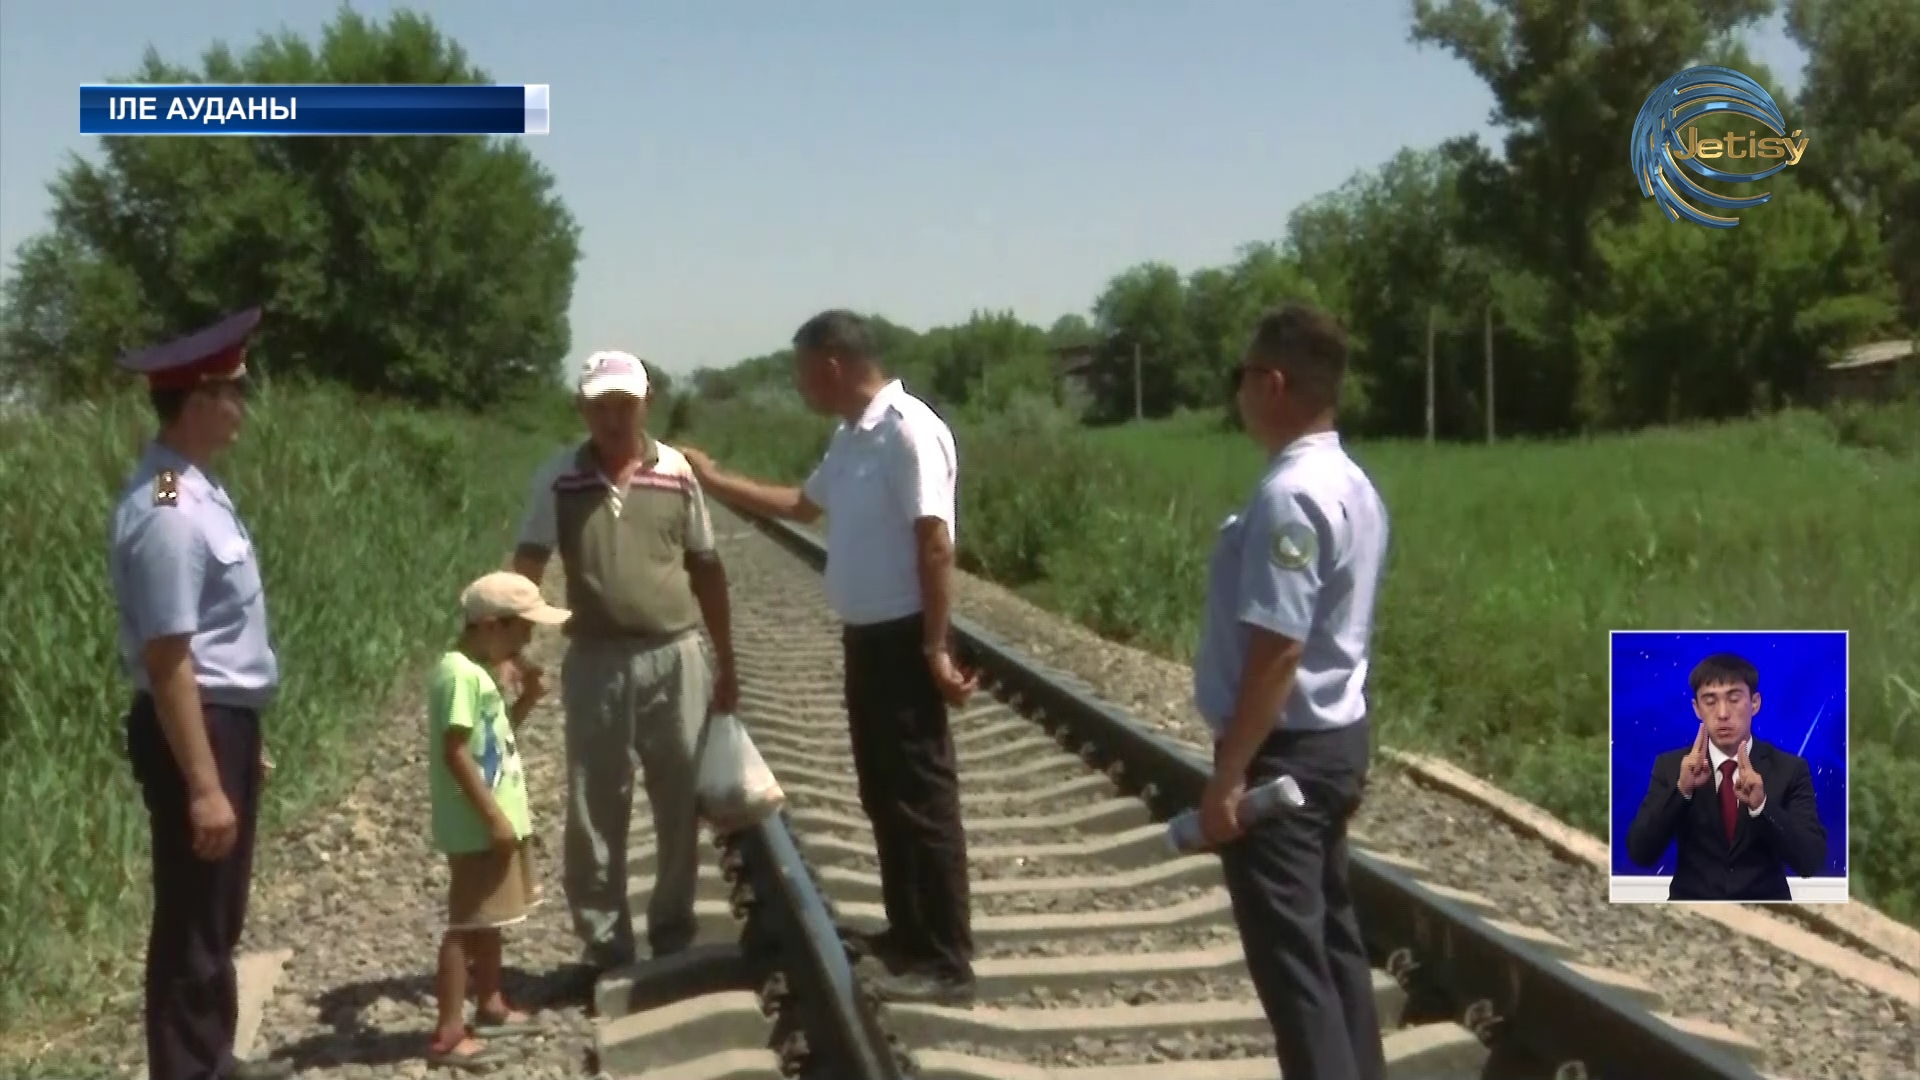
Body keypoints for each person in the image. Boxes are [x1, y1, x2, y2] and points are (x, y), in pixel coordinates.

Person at [680, 308, 979, 1006]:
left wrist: (936, 644)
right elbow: (799, 505)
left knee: (922, 799)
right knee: (884, 793)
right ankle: (907, 934)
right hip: (867, 639)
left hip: (905, 639)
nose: (800, 385)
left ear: (833, 365)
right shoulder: (851, 438)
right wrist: (715, 479)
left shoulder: (909, 431)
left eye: (803, 372)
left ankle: (945, 957)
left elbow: (935, 540)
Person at [1190, 303, 1389, 1080]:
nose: (1236, 392)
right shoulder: (1351, 484)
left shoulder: (1288, 498)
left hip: (1287, 754)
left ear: (1271, 384)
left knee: (1294, 974)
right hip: (1335, 742)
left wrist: (1228, 777)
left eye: (1241, 376)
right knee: (1333, 949)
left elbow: (1278, 651)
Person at [108, 307, 293, 1080]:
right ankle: (188, 1070)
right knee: (192, 918)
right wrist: (206, 783)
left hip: (222, 721)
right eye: (233, 392)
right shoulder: (170, 512)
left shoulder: (200, 491)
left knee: (217, 913)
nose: (242, 407)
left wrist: (244, 740)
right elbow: (170, 658)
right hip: (195, 725)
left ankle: (211, 1057)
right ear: (196, 401)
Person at [510, 349, 738, 974]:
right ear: (583, 408)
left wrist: (726, 659)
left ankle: (671, 931)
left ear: (646, 405)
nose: (614, 419)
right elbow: (527, 564)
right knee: (593, 804)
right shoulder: (558, 477)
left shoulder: (678, 474)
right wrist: (506, 650)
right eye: (601, 406)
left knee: (678, 799)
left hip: (676, 654)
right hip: (596, 660)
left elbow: (707, 567)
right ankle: (605, 944)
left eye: (625, 405)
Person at [425, 570, 569, 1067]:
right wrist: (492, 818)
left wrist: (527, 697)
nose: (528, 639)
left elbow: (497, 739)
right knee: (466, 922)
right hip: (477, 825)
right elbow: (457, 752)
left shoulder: (480, 671)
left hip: (493, 820)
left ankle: (489, 1002)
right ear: (490, 625)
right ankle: (448, 1031)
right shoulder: (459, 675)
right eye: (521, 629)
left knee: (491, 919)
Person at [1624, 652, 1828, 901]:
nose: (1722, 713)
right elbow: (1640, 853)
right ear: (1696, 709)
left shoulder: (1790, 769)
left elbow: (1811, 861)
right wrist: (1682, 790)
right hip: (1693, 909)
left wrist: (1762, 806)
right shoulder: (1671, 766)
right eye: (1710, 701)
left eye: (1734, 699)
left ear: (1755, 703)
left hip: (1767, 914)